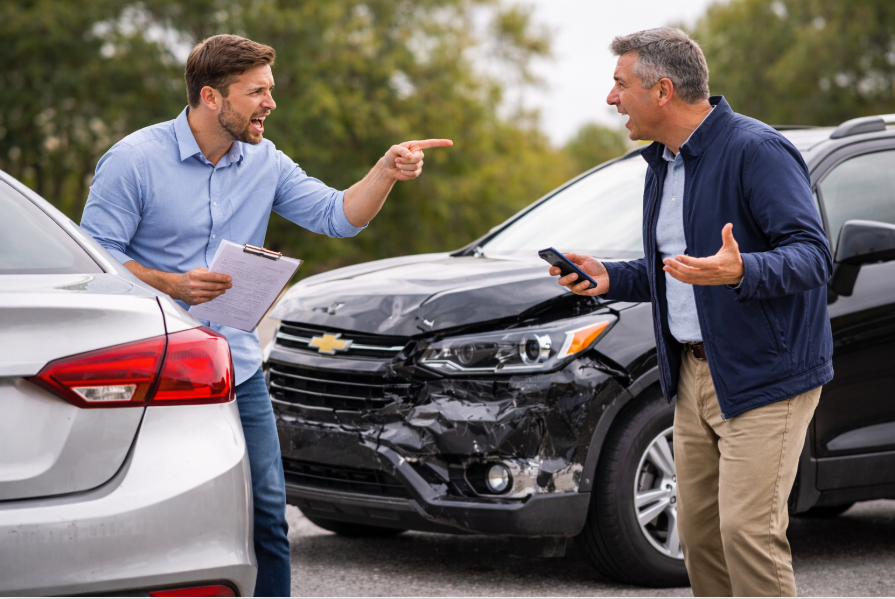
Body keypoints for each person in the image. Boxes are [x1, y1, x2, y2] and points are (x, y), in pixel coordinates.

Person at [81, 34, 452, 597]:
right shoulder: (133, 160)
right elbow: (96, 259)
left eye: (270, 89)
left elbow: (338, 217)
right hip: (156, 369)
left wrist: (386, 170)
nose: (270, 103)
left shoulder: (266, 161)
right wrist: (172, 285)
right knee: (146, 520)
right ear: (211, 97)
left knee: (267, 518)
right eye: (257, 91)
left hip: (238, 367)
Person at [550, 27, 833, 597]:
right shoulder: (665, 164)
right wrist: (612, 276)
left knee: (747, 534)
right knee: (700, 536)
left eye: (619, 84)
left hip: (766, 376)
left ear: (661, 90)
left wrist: (743, 270)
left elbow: (812, 255)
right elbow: (679, 269)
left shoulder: (756, 149)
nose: (610, 99)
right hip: (693, 376)